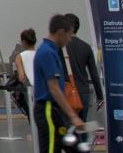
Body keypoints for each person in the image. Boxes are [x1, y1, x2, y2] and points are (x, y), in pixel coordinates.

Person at [33, 15, 86, 153]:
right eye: (69, 35)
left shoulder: (53, 51)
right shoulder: (47, 52)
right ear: (61, 32)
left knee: (76, 147)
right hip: (48, 109)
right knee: (51, 148)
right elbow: (54, 88)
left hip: (57, 111)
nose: (69, 40)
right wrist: (73, 116)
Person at [63, 14, 103, 122]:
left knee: (67, 126)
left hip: (65, 92)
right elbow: (94, 74)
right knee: (82, 125)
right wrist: (100, 96)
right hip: (83, 92)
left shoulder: (60, 47)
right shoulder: (86, 47)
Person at [13, 28, 38, 119]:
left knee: (31, 114)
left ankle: (34, 132)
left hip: (29, 87)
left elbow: (21, 77)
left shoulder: (19, 57)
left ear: (23, 42)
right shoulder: (40, 53)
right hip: (41, 86)